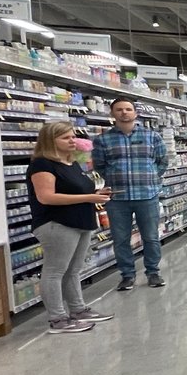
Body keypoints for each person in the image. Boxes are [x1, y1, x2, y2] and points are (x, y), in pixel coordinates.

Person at [27, 121, 115, 334]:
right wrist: (89, 197)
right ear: (51, 141)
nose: (72, 141)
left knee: (73, 270)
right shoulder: (42, 165)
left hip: (81, 221)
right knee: (55, 271)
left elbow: (78, 190)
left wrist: (98, 194)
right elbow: (46, 197)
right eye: (66, 137)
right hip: (57, 224)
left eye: (73, 136)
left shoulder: (72, 163)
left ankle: (78, 310)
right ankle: (58, 320)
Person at [93, 97, 168, 290]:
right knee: (120, 238)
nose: (124, 112)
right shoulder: (103, 140)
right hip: (118, 198)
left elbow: (162, 162)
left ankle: (153, 272)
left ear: (135, 113)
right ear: (112, 114)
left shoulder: (153, 137)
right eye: (119, 109)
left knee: (150, 236)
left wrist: (151, 178)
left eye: (128, 109)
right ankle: (127, 275)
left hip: (147, 196)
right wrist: (115, 178)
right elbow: (100, 166)